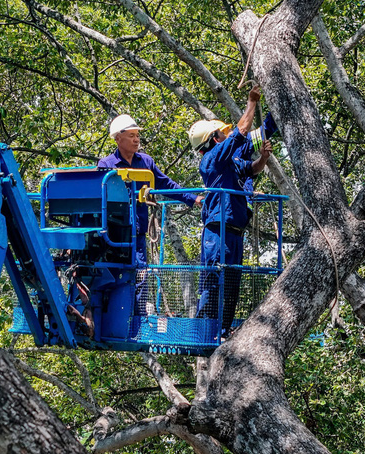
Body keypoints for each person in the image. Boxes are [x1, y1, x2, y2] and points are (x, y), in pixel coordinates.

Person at [187, 86, 272, 337]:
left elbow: (252, 168)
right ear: (214, 140)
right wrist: (251, 103)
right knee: (214, 281)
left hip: (235, 230)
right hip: (218, 231)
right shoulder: (212, 159)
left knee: (232, 282)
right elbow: (242, 131)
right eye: (222, 135)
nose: (227, 137)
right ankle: (205, 331)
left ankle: (223, 329)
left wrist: (264, 157)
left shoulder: (230, 161)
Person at [98, 114, 203, 314]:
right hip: (113, 232)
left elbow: (167, 184)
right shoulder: (106, 164)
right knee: (112, 273)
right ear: (118, 138)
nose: (137, 140)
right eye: (131, 136)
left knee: (140, 274)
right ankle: (109, 316)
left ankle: (137, 320)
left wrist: (193, 198)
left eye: (137, 135)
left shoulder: (145, 162)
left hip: (137, 232)